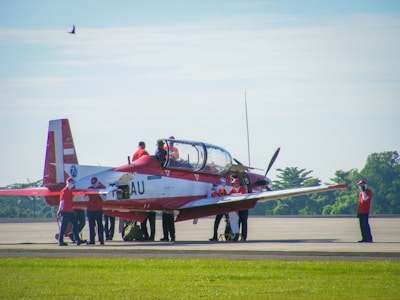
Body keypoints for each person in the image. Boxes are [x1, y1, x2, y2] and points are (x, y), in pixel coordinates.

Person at [57, 177, 87, 246]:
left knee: (75, 225)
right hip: (65, 211)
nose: (73, 185)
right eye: (72, 183)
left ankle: (78, 240)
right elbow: (62, 201)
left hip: (70, 210)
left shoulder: (70, 191)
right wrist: (60, 209)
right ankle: (60, 241)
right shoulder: (64, 191)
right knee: (63, 226)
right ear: (69, 183)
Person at [86, 177, 105, 245]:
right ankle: (92, 240)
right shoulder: (89, 188)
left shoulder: (102, 188)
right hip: (90, 209)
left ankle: (101, 240)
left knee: (100, 225)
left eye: (95, 183)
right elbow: (85, 197)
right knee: (91, 226)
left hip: (98, 209)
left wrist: (99, 193)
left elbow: (104, 198)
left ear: (97, 182)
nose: (94, 185)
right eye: (93, 183)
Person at [230, 177, 247, 242]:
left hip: (243, 208)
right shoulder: (232, 190)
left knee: (244, 222)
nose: (233, 185)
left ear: (238, 183)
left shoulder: (242, 189)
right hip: (236, 209)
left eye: (235, 183)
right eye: (233, 183)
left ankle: (243, 237)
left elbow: (242, 195)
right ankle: (236, 237)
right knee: (237, 222)